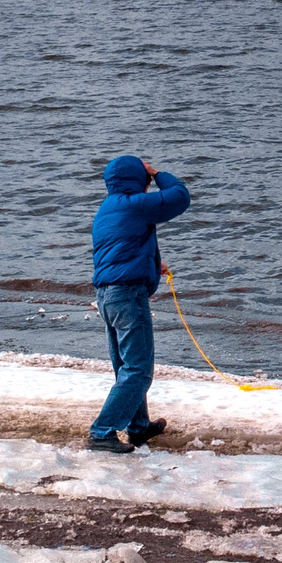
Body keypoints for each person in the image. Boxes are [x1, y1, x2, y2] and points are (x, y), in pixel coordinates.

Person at [88, 155, 190, 451]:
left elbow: (121, 250)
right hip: (127, 296)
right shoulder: (132, 203)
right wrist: (158, 173)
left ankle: (138, 426)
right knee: (138, 370)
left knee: (126, 368)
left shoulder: (107, 209)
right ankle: (101, 432)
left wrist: (153, 264)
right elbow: (179, 198)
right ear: (138, 179)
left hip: (108, 296)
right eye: (145, 178)